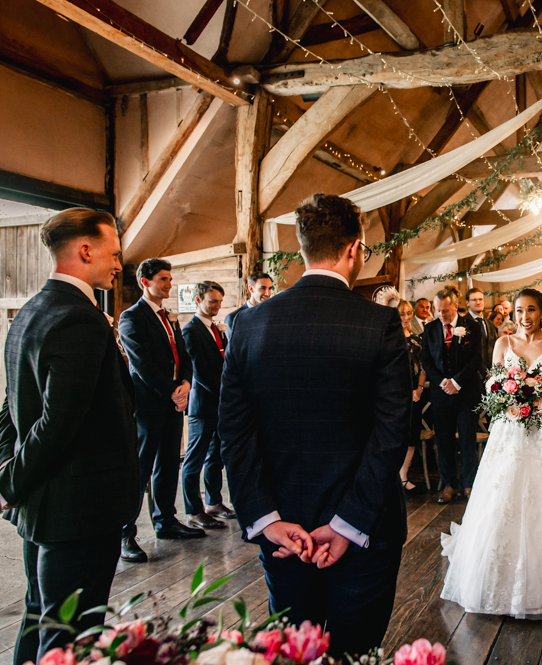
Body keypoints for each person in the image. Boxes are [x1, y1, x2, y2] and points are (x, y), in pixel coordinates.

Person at [220, 193, 411, 658]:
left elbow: (234, 433)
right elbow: (391, 433)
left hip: (283, 529)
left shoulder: (248, 325)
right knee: (354, 651)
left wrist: (267, 520)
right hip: (365, 530)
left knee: (292, 651)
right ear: (354, 249)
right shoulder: (379, 323)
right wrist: (346, 525)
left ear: (303, 248)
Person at [0, 209, 140, 665]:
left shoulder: (31, 310)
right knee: (73, 635)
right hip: (80, 510)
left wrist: (8, 472)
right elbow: (57, 424)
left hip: (43, 506)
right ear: (85, 250)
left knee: (41, 618)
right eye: (114, 253)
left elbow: (9, 408)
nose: (118, 264)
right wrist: (7, 484)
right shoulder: (80, 319)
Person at [440, 289, 542, 618]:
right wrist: (505, 402)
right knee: (501, 497)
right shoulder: (503, 344)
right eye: (519, 310)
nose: (525, 316)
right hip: (508, 432)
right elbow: (492, 385)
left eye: (531, 310)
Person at [119, 258, 202, 563]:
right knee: (139, 469)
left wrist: (186, 384)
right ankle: (126, 533)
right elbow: (141, 363)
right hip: (147, 405)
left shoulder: (169, 317)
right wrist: (172, 391)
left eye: (170, 279)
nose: (169, 284)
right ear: (145, 281)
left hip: (173, 402)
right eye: (163, 279)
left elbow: (184, 355)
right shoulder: (132, 317)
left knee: (169, 463)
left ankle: (165, 521)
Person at [180, 281, 236, 530]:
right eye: (212, 301)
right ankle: (194, 510)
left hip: (218, 405)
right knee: (195, 459)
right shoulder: (191, 331)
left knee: (215, 456)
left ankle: (214, 503)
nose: (217, 306)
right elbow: (199, 371)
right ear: (198, 300)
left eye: (220, 302)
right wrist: (226, 394)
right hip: (203, 405)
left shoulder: (216, 329)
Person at [422, 289, 483, 503]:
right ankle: (448, 484)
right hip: (441, 394)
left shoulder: (472, 327)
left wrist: (457, 381)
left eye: (445, 311)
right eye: (438, 311)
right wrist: (443, 382)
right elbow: (426, 361)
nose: (441, 315)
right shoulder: (429, 329)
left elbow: (477, 359)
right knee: (444, 441)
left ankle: (469, 484)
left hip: (466, 393)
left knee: (467, 439)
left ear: (455, 307)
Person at [397, 299, 428, 496]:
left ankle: (403, 476)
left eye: (409, 313)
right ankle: (394, 479)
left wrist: (418, 389)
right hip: (396, 396)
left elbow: (423, 367)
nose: (407, 317)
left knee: (412, 438)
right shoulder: (390, 339)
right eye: (402, 314)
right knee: (397, 437)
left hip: (415, 395)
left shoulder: (417, 340)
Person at [224, 271, 273, 337]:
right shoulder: (233, 318)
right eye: (263, 288)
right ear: (251, 289)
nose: (268, 293)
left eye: (270, 288)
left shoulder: (273, 314)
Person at [467, 287, 498, 372]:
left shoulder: (490, 324)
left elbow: (494, 347)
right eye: (474, 300)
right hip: (472, 375)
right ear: (467, 303)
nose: (478, 302)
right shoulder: (463, 323)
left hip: (491, 373)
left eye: (480, 299)